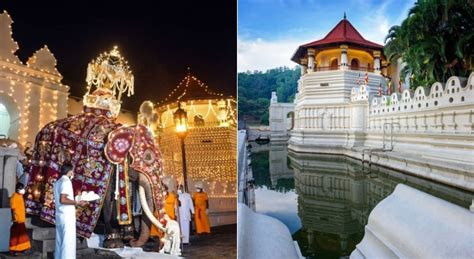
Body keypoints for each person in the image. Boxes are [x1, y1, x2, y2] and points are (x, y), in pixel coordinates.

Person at [54, 163, 87, 259]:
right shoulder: (66, 182)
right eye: (72, 171)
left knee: (60, 242)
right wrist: (77, 202)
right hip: (67, 216)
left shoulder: (58, 182)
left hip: (60, 215)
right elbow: (63, 199)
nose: (73, 173)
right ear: (69, 171)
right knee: (68, 243)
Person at [9, 183, 31, 256]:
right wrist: (14, 219)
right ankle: (14, 250)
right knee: (16, 237)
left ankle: (21, 249)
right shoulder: (14, 197)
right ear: (17, 189)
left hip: (21, 219)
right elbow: (12, 209)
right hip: (17, 220)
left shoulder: (20, 195)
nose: (23, 190)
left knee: (22, 236)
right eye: (21, 189)